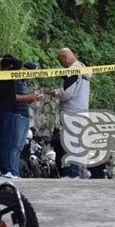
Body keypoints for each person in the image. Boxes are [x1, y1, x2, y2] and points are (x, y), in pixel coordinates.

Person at [47, 47, 91, 178]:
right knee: (76, 144)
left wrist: (55, 92)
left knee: (70, 143)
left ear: (65, 58)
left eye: (61, 62)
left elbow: (67, 93)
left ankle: (71, 173)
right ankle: (75, 173)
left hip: (72, 111)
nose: (62, 65)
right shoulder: (84, 69)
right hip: (82, 111)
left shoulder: (73, 70)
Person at [0, 54, 22, 178]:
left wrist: (4, 62)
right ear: (10, 66)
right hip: (7, 112)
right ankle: (5, 170)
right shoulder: (8, 76)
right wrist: (4, 60)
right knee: (5, 141)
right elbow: (19, 62)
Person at [10, 62, 43, 177]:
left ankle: (15, 171)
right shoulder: (15, 79)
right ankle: (11, 171)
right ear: (24, 69)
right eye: (31, 72)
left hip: (24, 115)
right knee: (14, 145)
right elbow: (12, 96)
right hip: (17, 114)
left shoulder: (23, 83)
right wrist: (28, 97)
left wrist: (33, 99)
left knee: (20, 146)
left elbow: (24, 99)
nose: (31, 76)